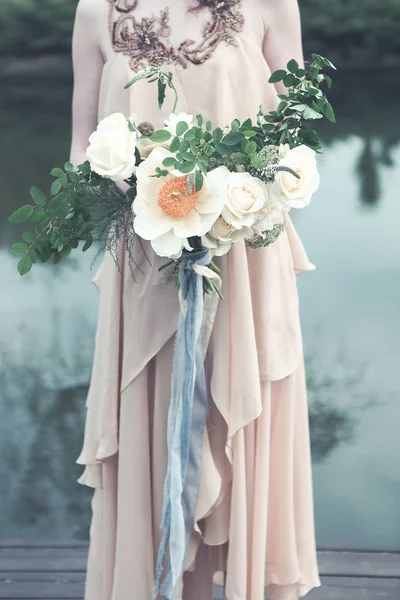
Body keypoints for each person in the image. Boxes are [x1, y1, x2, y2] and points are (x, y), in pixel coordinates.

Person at [71, 0, 321, 598]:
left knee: (233, 424)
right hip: (145, 260)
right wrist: (124, 187)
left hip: (244, 254)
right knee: (153, 425)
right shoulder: (95, 11)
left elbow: (294, 137)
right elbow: (80, 144)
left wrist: (234, 194)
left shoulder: (269, 4)